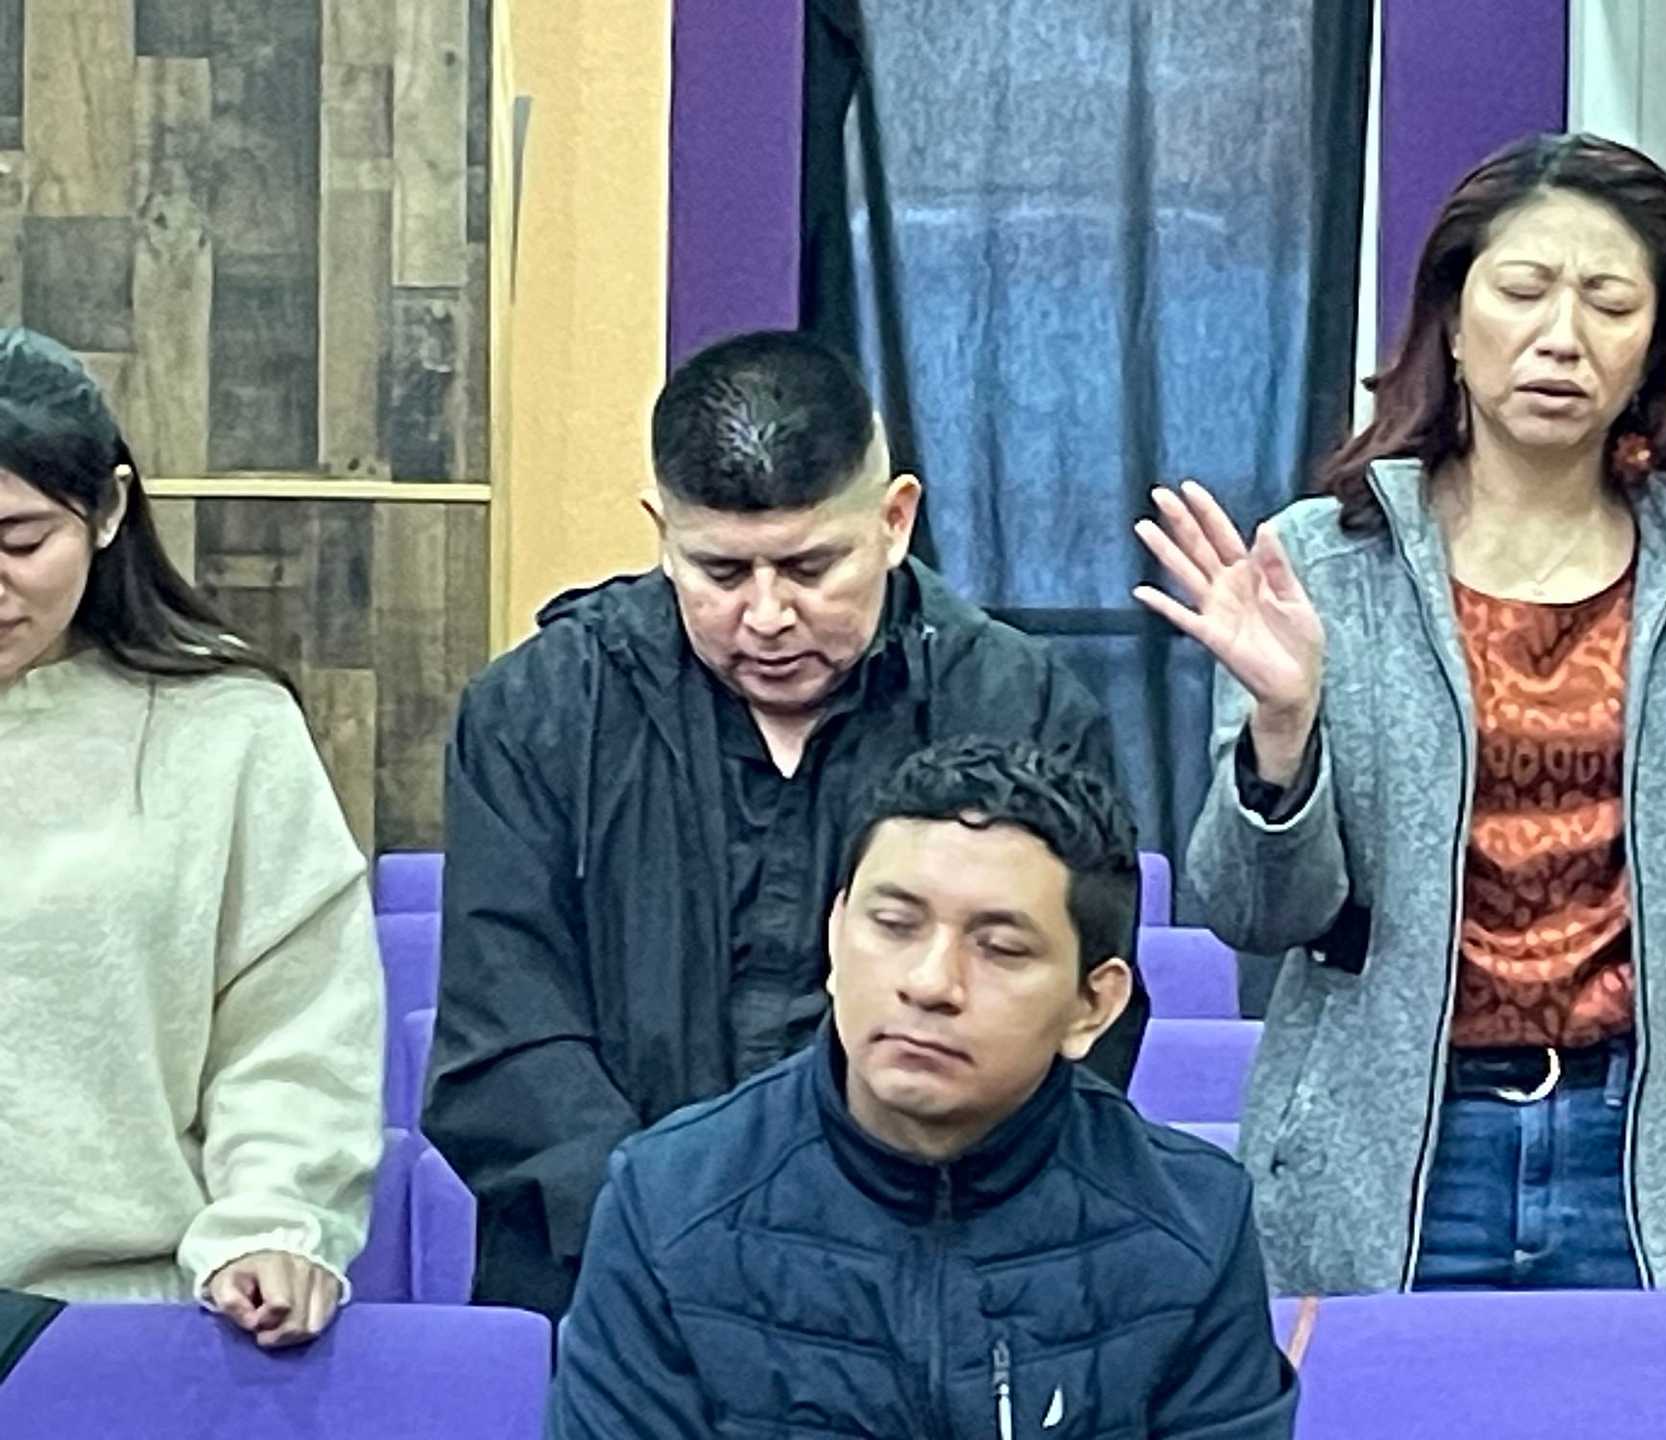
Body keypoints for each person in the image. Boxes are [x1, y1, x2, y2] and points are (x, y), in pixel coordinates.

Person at [1136, 133, 1666, 1295]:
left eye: (1610, 303)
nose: (1562, 336)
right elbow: (1259, 915)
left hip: (1655, 1153)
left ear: (1655, 343)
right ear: (1452, 319)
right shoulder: (1321, 561)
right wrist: (1284, 730)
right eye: (1522, 291)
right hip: (1391, 1142)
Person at [428, 330, 1148, 1321]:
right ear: (661, 536)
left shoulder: (1020, 706)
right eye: (721, 573)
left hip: (929, 1284)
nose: (766, 616)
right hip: (610, 1282)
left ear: (895, 522)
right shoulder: (540, 709)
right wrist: (671, 1231)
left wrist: (855, 1237)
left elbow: (1065, 1022)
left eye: (812, 567)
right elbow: (507, 1037)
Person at [548, 738, 1295, 1438]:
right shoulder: (669, 1199)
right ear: (836, 938)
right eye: (895, 925)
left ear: (1091, 1005)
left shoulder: (1193, 1224)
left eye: (999, 948)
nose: (931, 983)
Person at [0, 328, 383, 1346]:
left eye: (19, 542)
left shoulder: (225, 731)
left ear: (111, 510)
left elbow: (295, 1027)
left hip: (117, 1325)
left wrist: (272, 1226)